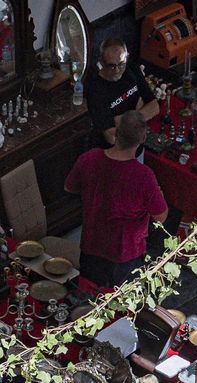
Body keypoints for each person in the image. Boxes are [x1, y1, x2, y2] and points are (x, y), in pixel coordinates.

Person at [64, 111, 169, 288]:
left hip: (91, 246)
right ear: (143, 138)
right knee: (121, 305)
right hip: (125, 254)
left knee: (88, 297)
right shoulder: (144, 176)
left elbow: (69, 187)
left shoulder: (89, 158)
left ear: (116, 133)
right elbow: (161, 216)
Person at [84, 38, 160, 147]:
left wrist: (119, 120)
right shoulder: (95, 89)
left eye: (121, 64)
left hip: (137, 146)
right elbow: (111, 137)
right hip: (112, 153)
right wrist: (140, 112)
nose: (117, 70)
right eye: (111, 65)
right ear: (101, 62)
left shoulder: (132, 69)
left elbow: (154, 107)